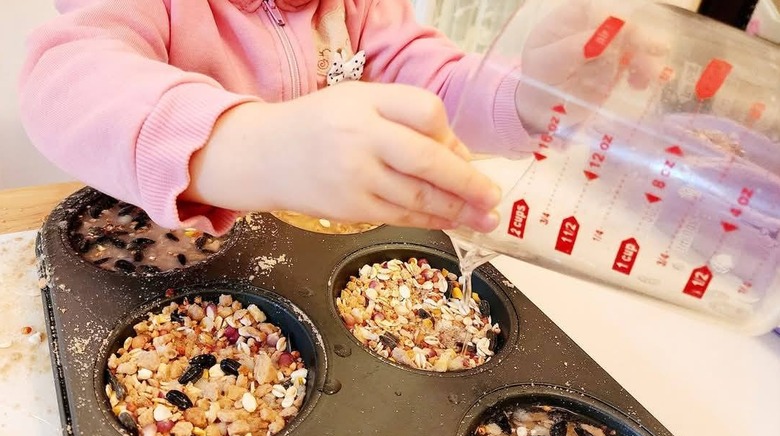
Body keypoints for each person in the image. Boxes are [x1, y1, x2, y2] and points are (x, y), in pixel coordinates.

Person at [19, 0, 658, 236]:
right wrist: (249, 147)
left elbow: (431, 84)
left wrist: (537, 94)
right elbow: (69, 78)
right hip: (159, 244)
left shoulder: (356, 7)